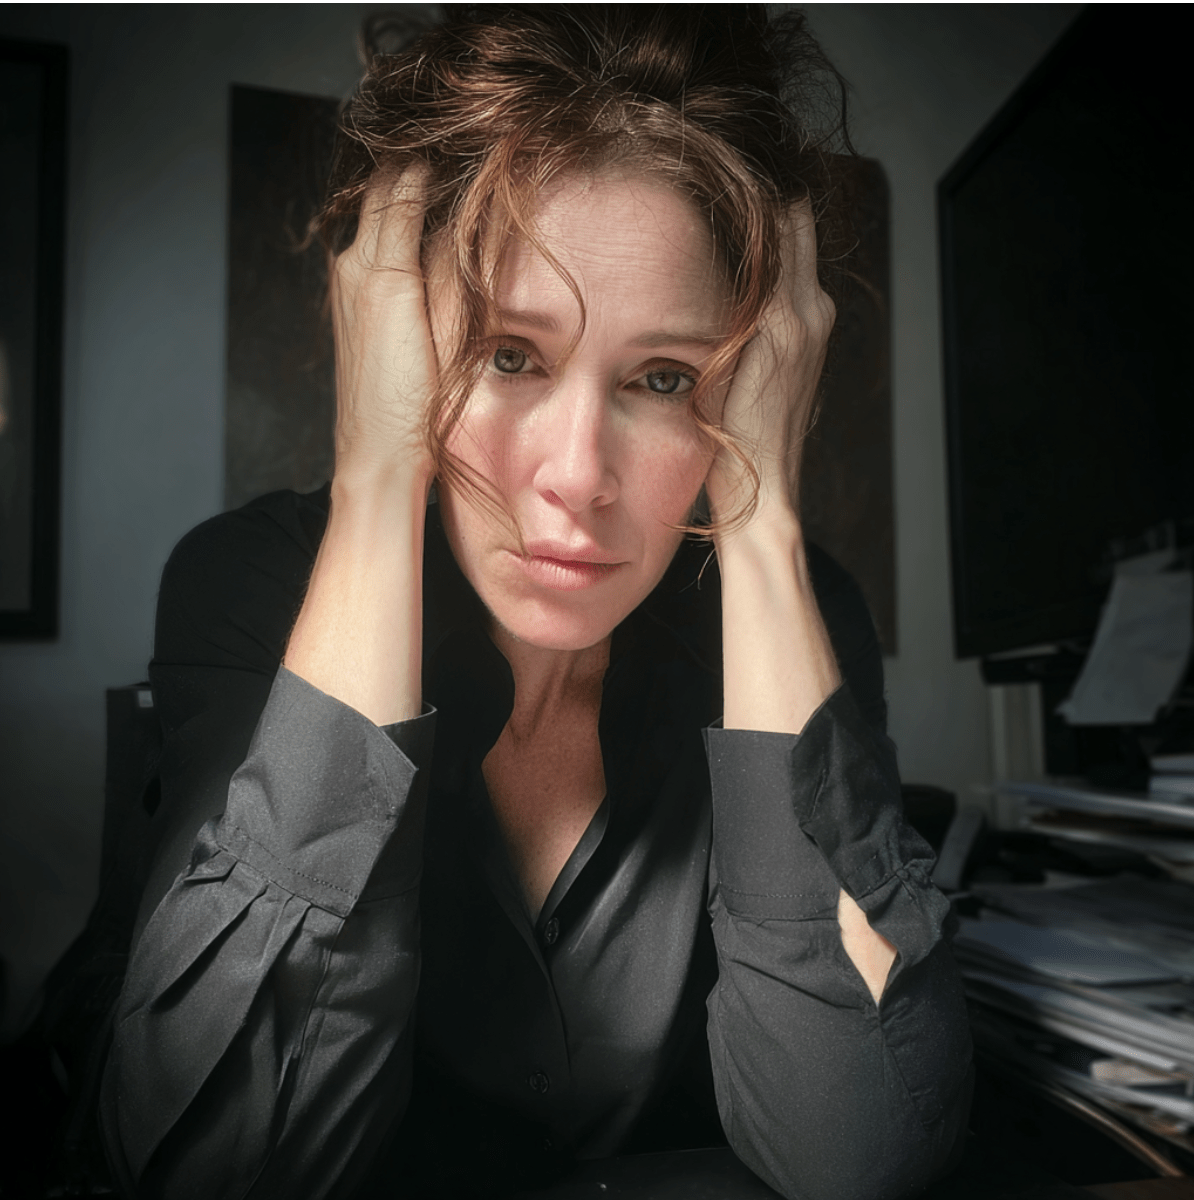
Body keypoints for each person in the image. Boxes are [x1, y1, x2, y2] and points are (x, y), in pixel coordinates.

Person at [98, 7, 973, 1198]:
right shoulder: (249, 582)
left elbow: (859, 1149)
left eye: (664, 378)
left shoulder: (800, 615)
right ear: (407, 342)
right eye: (508, 354)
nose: (578, 475)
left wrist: (764, 520)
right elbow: (227, 1171)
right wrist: (377, 480)